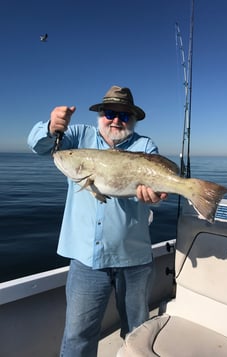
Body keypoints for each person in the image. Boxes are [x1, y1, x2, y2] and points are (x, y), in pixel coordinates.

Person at [27, 85, 167, 357]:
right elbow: (39, 146)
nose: (116, 120)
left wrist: (155, 198)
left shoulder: (145, 146)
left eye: (124, 115)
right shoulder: (79, 136)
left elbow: (156, 194)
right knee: (78, 335)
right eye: (110, 113)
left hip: (134, 259)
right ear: (100, 114)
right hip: (86, 260)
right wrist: (51, 127)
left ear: (133, 120)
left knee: (138, 332)